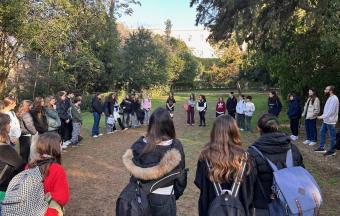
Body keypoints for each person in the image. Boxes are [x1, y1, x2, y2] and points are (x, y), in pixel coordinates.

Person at [121, 108, 187, 216]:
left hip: (140, 199)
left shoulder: (138, 145)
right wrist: (173, 195)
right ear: (169, 125)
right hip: (164, 199)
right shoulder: (175, 146)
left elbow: (133, 178)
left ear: (151, 124)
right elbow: (181, 177)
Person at [195, 115, 255, 216]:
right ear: (235, 131)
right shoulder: (246, 158)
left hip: (211, 210)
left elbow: (200, 184)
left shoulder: (205, 157)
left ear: (214, 132)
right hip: (240, 211)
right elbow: (251, 188)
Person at [248, 114, 304, 215]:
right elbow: (302, 176)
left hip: (263, 208)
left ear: (258, 129)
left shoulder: (252, 153)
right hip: (291, 205)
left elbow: (248, 185)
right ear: (277, 127)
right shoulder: (293, 149)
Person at [27, 132, 70, 216]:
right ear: (55, 147)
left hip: (29, 208)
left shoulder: (30, 165)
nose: (61, 146)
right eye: (60, 144)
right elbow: (63, 197)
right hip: (46, 211)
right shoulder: (57, 169)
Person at [0, 113, 25, 203]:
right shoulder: (6, 151)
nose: (10, 126)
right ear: (3, 127)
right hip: (5, 194)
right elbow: (20, 168)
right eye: (8, 123)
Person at [315, 85, 339, 156]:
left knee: (332, 137)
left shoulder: (334, 99)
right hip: (326, 120)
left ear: (330, 91)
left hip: (331, 121)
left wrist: (321, 117)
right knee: (322, 132)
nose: (324, 91)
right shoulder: (330, 98)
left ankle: (332, 151)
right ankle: (322, 147)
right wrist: (323, 117)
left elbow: (330, 111)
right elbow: (327, 110)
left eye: (326, 89)